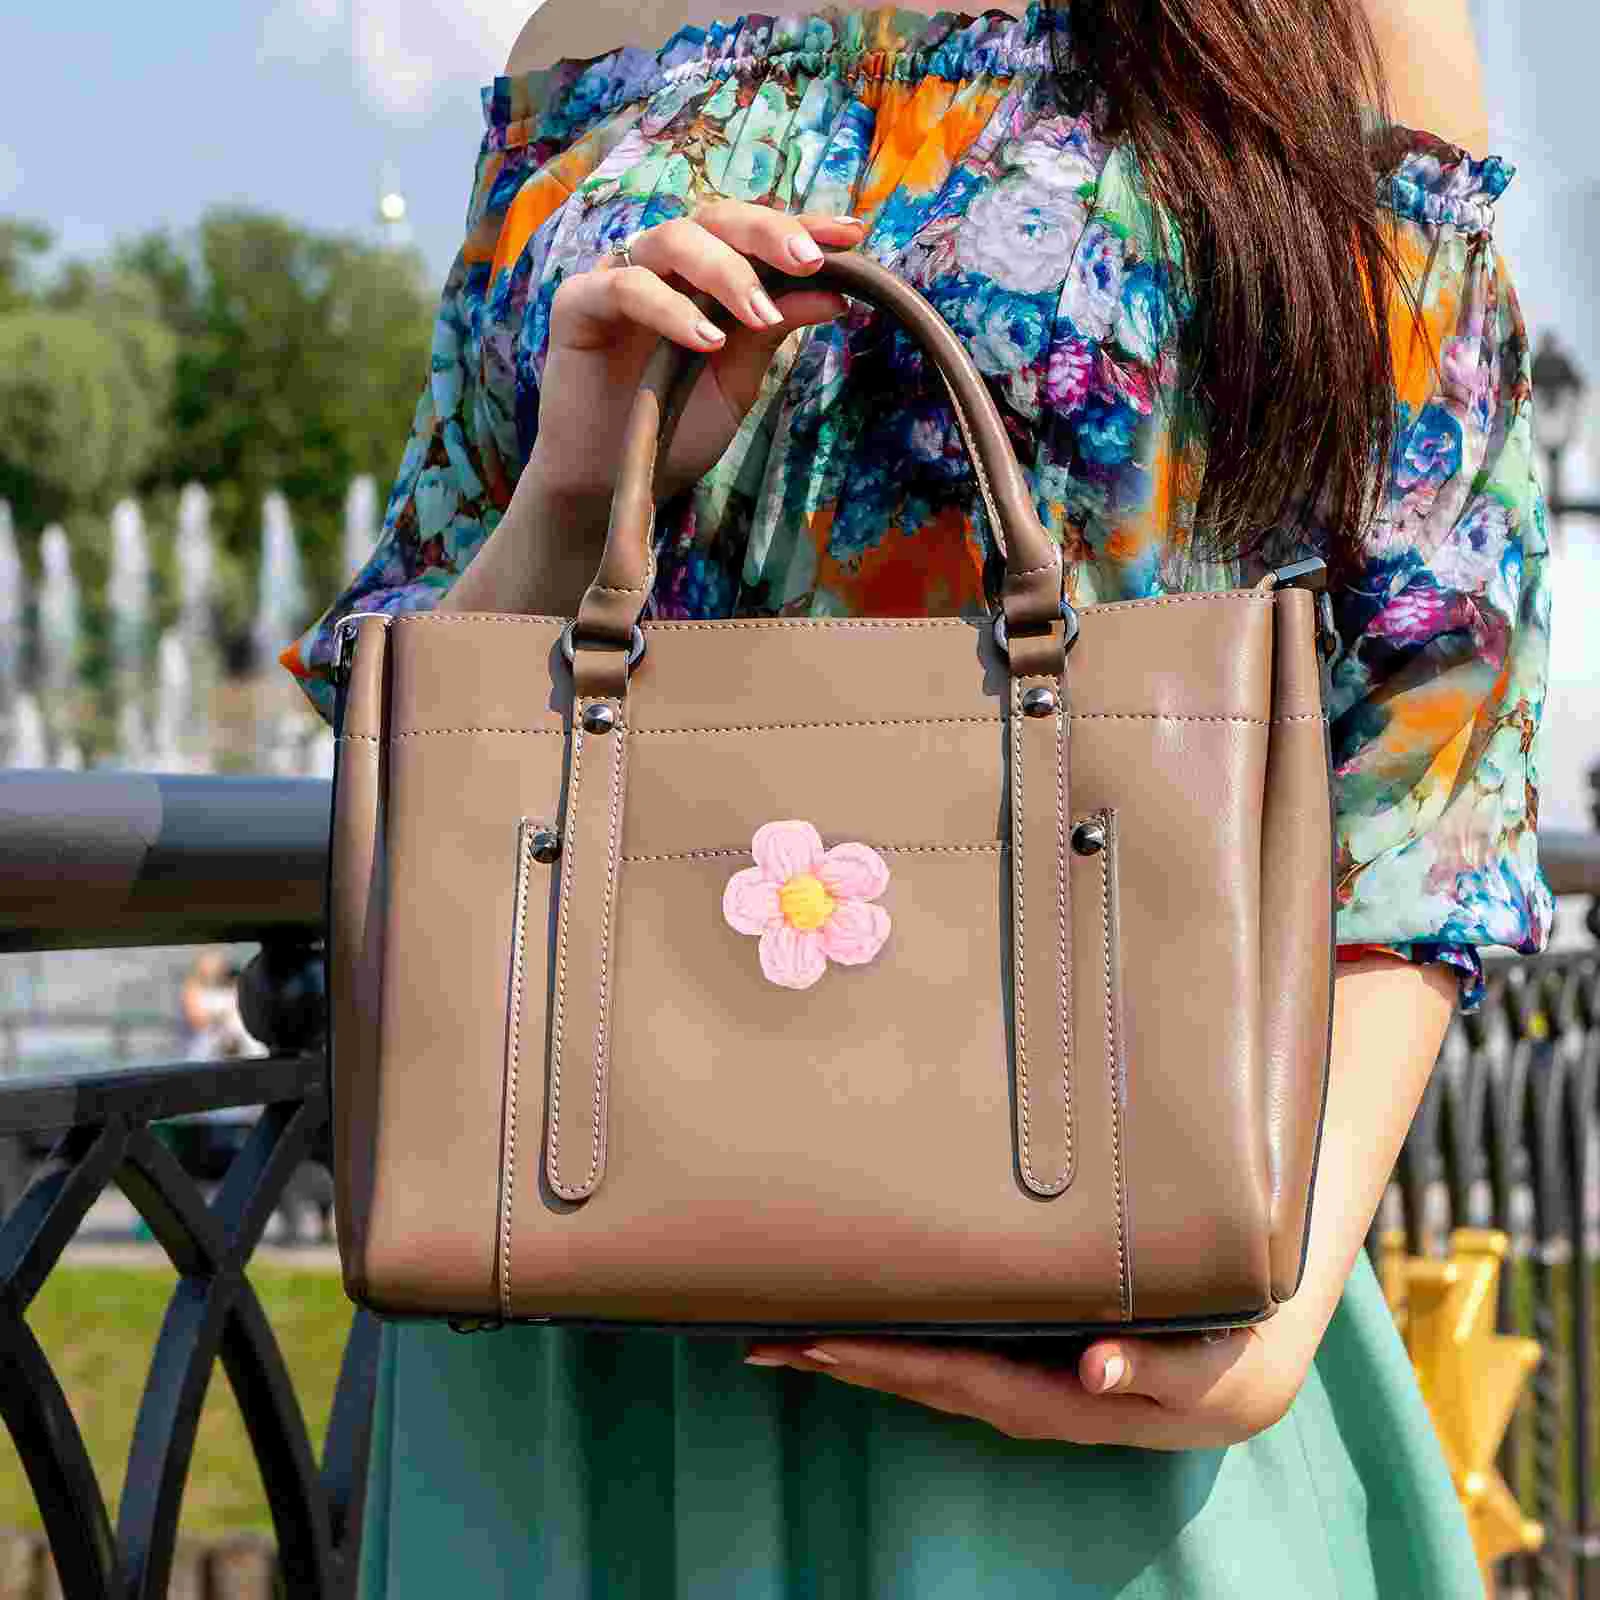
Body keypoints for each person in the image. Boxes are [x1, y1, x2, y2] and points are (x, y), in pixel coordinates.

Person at [283, 0, 1551, 1592]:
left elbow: (1436, 722)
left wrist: (1279, 1310)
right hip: (568, 1288)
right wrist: (577, 485)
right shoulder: (588, 29)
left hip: (1112, 1283)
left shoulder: (1339, 22)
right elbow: (427, 726)